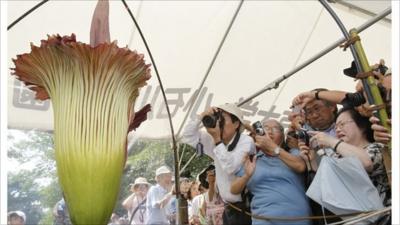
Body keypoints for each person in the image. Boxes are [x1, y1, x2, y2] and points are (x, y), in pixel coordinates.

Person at [182, 103, 256, 225]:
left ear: (236, 124)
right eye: (218, 119)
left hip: (245, 208)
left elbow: (231, 167)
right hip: (227, 207)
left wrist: (217, 140)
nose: (219, 123)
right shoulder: (214, 139)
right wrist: (201, 116)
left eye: (223, 120)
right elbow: (188, 136)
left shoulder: (246, 142)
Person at [231, 119, 311, 225]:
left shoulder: (293, 153)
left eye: (275, 128)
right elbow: (234, 189)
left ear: (282, 136)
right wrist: (246, 176)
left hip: (298, 219)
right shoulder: (251, 159)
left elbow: (300, 166)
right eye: (265, 128)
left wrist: (273, 148)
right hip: (263, 219)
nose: (270, 131)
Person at [305, 107, 390, 206]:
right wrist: (310, 161)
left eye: (342, 124)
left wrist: (331, 141)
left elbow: (366, 163)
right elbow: (326, 182)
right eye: (335, 127)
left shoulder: (378, 147)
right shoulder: (338, 156)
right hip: (359, 219)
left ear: (362, 126)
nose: (338, 130)